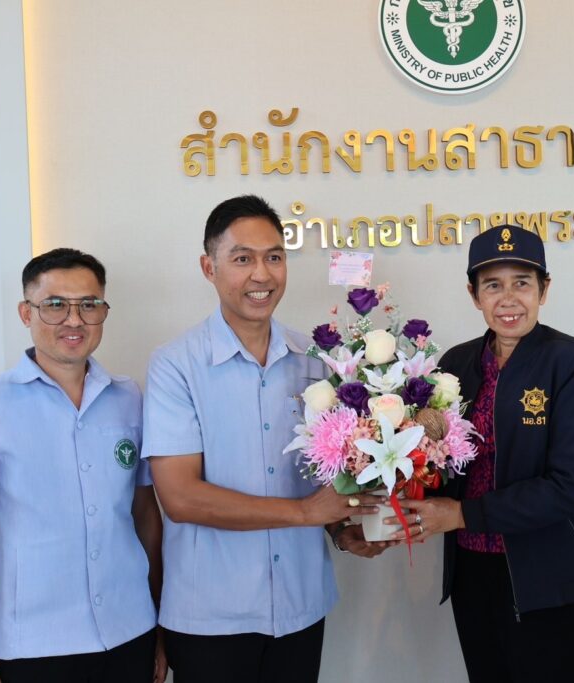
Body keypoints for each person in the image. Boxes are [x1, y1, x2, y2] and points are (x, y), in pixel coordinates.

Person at [141, 194, 390, 683]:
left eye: (274, 257)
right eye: (242, 259)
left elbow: (319, 480)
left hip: (300, 605)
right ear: (208, 268)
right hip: (211, 616)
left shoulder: (315, 360)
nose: (262, 274)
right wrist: (307, 513)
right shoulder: (176, 366)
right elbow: (180, 498)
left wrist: (342, 530)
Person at [0, 248, 166, 683]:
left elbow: (145, 516)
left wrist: (158, 625)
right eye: (55, 305)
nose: (74, 320)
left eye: (89, 305)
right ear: (26, 312)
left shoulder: (128, 397)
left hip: (130, 631)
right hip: (34, 647)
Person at [395, 225, 574, 682]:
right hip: (475, 573)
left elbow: (571, 486)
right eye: (492, 285)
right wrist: (389, 488)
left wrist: (461, 514)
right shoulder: (455, 365)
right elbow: (438, 462)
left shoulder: (570, 361)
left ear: (544, 290)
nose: (508, 299)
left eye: (522, 283)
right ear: (474, 295)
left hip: (551, 575)